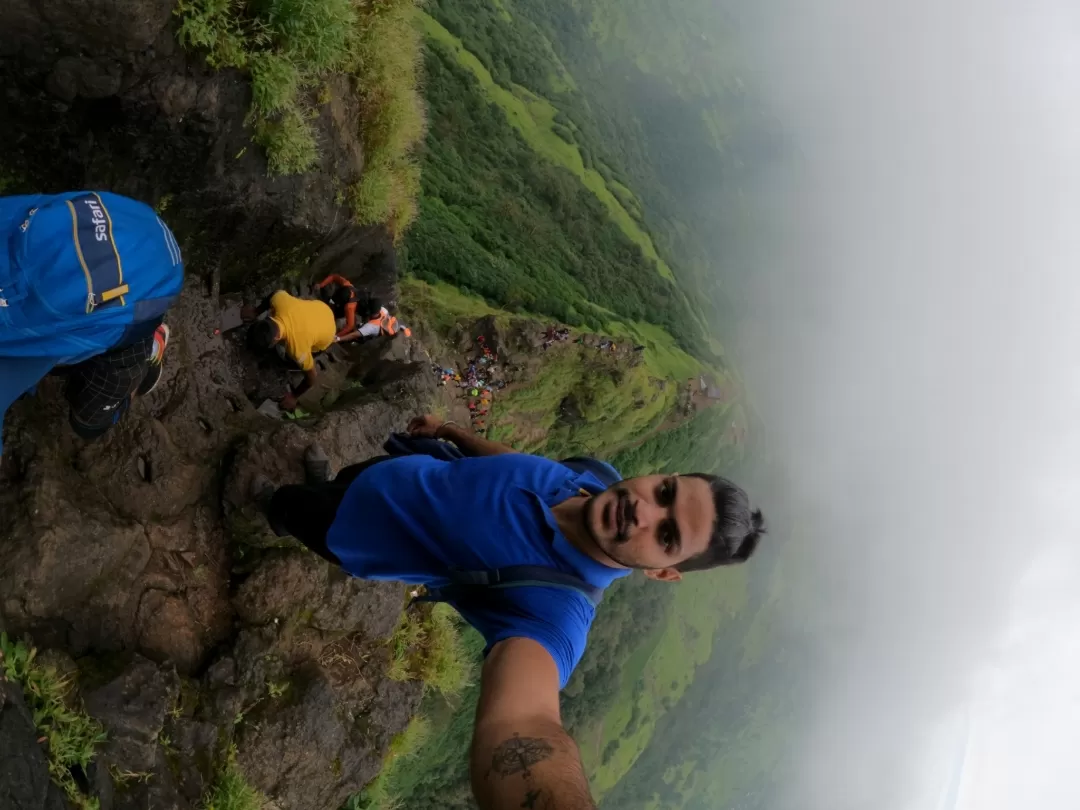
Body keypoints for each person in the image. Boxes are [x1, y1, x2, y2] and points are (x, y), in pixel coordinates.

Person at [250, 415, 765, 810]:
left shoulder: (555, 614)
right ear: (664, 475)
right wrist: (452, 432)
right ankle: (319, 484)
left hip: (352, 532)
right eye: (666, 493)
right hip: (395, 470)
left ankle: (276, 510)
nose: (643, 511)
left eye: (668, 535)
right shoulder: (596, 478)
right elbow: (521, 464)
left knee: (299, 510)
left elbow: (525, 719)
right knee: (340, 479)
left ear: (664, 573)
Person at [0, 191, 184, 451]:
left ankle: (132, 349)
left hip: (115, 283)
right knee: (90, 423)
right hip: (121, 238)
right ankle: (138, 362)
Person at [243, 290, 336, 411]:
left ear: (276, 340)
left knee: (285, 360)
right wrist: (255, 311)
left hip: (327, 333)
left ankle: (288, 365)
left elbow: (312, 376)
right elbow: (275, 293)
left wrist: (294, 396)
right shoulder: (280, 302)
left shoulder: (297, 349)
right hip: (321, 308)